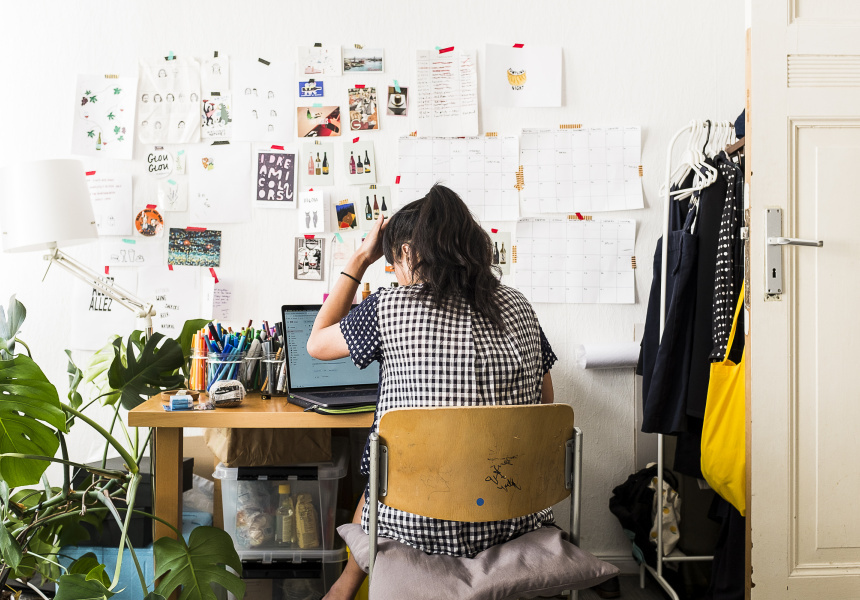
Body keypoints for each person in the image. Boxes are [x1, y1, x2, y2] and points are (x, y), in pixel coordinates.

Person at [307, 184, 558, 600]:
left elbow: (316, 344)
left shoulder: (388, 306)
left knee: (381, 467)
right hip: (514, 514)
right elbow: (546, 406)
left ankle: (343, 587)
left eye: (392, 264)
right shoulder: (519, 306)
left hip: (416, 524)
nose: (393, 273)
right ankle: (345, 586)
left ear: (407, 253)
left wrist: (360, 259)